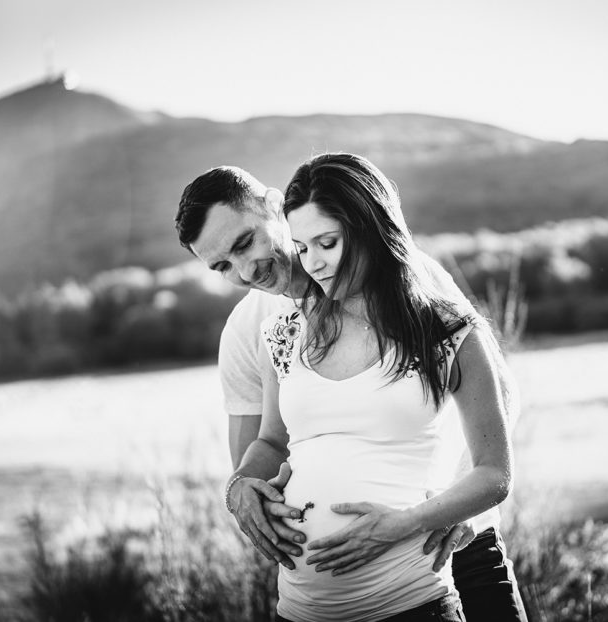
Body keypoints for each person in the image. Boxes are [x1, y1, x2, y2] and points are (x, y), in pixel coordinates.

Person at [175, 160, 528, 620]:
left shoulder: (412, 284)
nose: (246, 270)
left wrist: (441, 508)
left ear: (273, 205)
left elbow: (496, 397)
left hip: (456, 541)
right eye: (223, 266)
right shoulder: (256, 330)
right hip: (316, 604)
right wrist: (239, 491)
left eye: (245, 243)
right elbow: (259, 455)